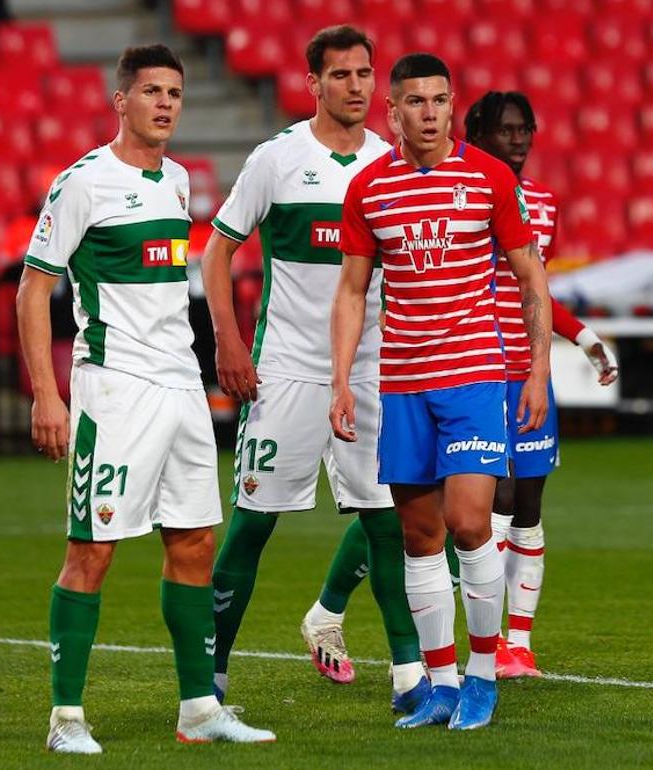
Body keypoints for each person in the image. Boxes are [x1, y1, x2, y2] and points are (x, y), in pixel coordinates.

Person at [17, 44, 274, 753]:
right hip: (115, 389)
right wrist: (48, 393)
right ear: (120, 100)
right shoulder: (83, 183)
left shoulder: (180, 181)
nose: (165, 104)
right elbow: (33, 288)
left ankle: (198, 709)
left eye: (175, 94)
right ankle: (64, 719)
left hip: (182, 387)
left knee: (194, 542)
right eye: (152, 91)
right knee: (92, 550)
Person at [201, 25, 428, 714]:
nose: (356, 87)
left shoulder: (394, 164)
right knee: (253, 523)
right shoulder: (278, 160)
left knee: (386, 518)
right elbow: (216, 253)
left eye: (365, 74)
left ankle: (410, 674)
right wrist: (230, 343)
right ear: (315, 84)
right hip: (287, 371)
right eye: (342, 75)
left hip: (370, 372)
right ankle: (207, 680)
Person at [333, 52, 552, 730]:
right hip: (401, 382)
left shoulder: (487, 178)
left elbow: (529, 277)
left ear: (452, 105)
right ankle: (440, 684)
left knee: (470, 524)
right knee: (419, 535)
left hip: (475, 378)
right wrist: (340, 380)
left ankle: (483, 675)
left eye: (438, 100)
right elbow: (351, 290)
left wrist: (538, 370)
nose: (428, 112)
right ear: (392, 110)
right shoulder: (369, 188)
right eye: (414, 102)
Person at [463, 89, 619, 679]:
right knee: (493, 502)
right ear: (478, 134)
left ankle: (519, 645)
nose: (520, 140)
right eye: (507, 130)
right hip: (476, 367)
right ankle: (490, 637)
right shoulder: (462, 192)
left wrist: (581, 337)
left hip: (530, 373)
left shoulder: (544, 204)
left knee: (528, 504)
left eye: (526, 130)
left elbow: (537, 289)